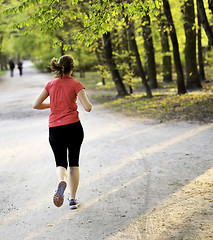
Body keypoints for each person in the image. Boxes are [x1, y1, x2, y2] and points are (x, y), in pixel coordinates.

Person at [33, 55, 92, 209]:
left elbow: (36, 104)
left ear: (59, 67)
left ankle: (61, 182)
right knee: (74, 163)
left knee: (60, 162)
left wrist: (52, 104)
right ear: (72, 68)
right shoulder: (76, 84)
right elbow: (87, 107)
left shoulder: (50, 84)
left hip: (55, 129)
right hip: (73, 127)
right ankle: (72, 200)